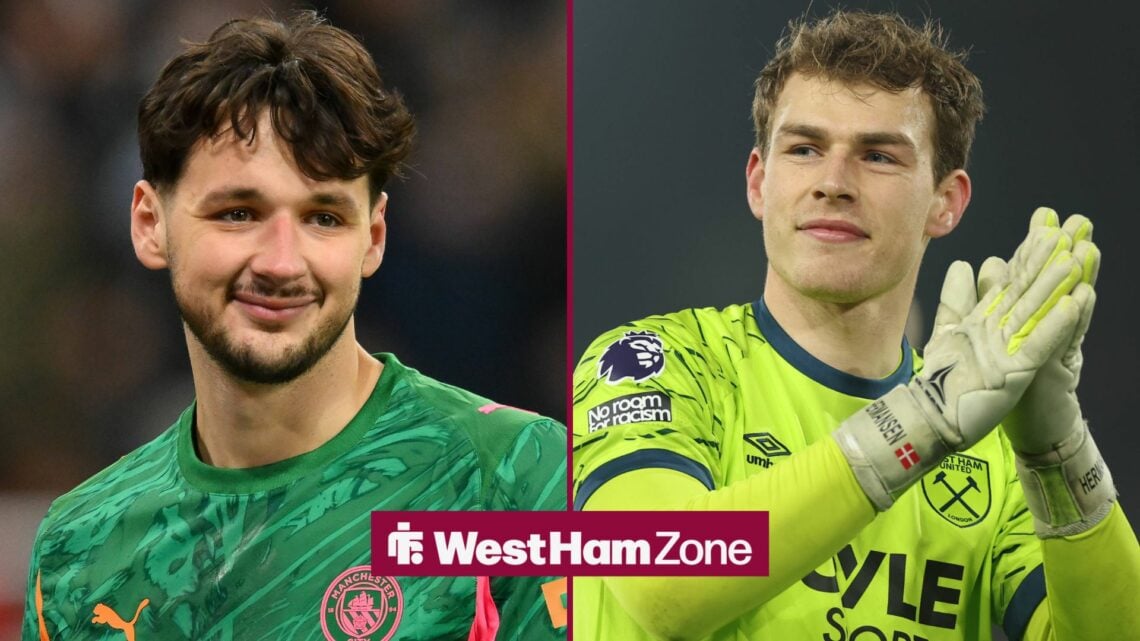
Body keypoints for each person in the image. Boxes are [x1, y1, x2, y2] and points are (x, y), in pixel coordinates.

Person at [572, 10, 1139, 641]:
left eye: (878, 156)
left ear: (946, 201)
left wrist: (1059, 452)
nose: (833, 183)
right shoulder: (655, 362)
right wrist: (917, 423)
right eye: (804, 149)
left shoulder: (988, 447)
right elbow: (660, 580)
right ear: (759, 182)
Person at [23, 12, 565, 641]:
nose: (282, 263)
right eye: (238, 213)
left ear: (374, 237)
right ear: (150, 224)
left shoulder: (516, 478)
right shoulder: (78, 552)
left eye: (324, 218)